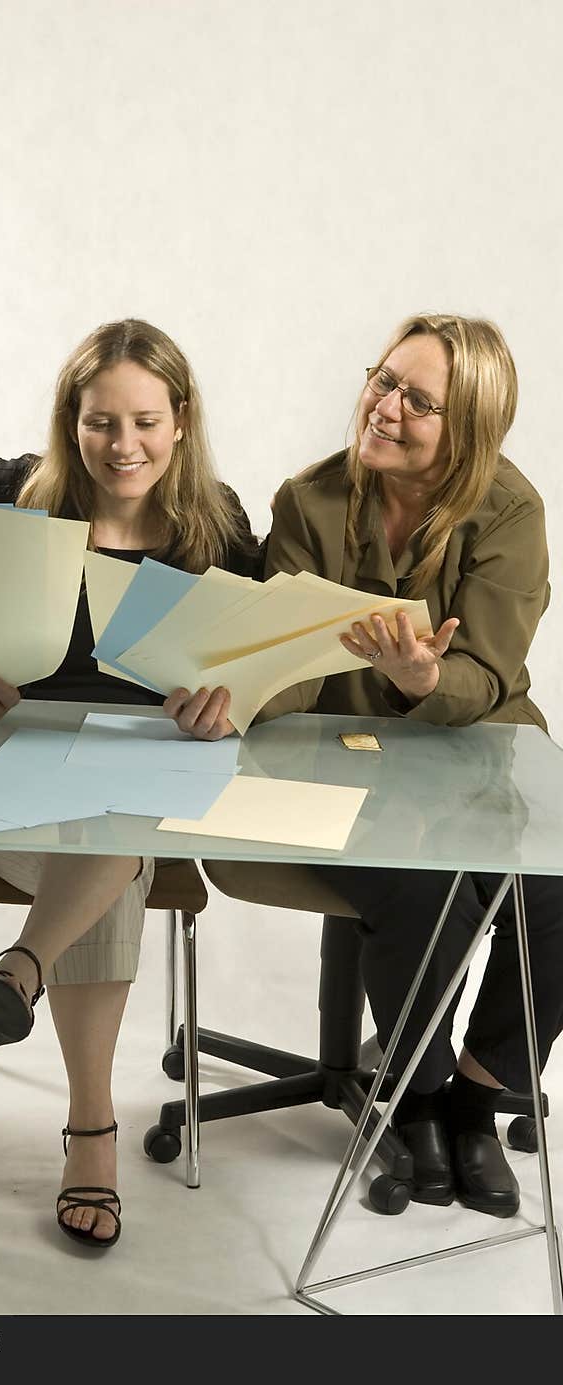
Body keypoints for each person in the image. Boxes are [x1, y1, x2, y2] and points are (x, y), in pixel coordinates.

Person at [0, 319, 258, 1247]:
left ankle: (33, 986)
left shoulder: (219, 531)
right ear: (67, 423)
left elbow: (266, 667)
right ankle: (90, 1130)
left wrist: (231, 704)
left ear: (183, 420)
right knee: (114, 853)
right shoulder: (6, 498)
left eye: (148, 422)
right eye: (100, 423)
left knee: (119, 828)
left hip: (130, 806)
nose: (124, 447)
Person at [258, 313, 562, 1217]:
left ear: (467, 430)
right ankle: (417, 1096)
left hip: (479, 754)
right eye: (382, 379)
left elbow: (490, 673)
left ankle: (477, 1094)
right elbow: (282, 661)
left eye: (416, 399)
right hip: (338, 766)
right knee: (432, 892)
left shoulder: (510, 511)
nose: (383, 406)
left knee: (555, 893)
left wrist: (423, 679)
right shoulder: (308, 501)